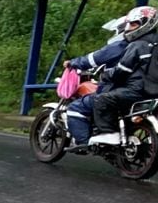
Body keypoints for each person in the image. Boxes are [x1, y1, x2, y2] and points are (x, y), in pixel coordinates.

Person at [61, 9, 144, 147]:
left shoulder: (119, 46)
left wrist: (73, 63)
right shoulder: (145, 46)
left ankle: (84, 143)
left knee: (75, 107)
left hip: (115, 90)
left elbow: (92, 59)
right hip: (139, 91)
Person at [86, 5, 158, 148]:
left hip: (138, 91)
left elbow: (121, 71)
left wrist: (105, 75)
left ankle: (109, 133)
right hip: (154, 93)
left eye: (134, 23)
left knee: (102, 99)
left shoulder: (138, 45)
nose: (129, 28)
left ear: (147, 24)